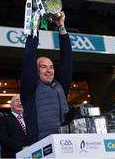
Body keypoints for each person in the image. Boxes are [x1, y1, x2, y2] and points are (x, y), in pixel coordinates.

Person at [20, 11, 72, 145]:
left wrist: (61, 26)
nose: (49, 70)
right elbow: (29, 56)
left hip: (67, 144)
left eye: (51, 67)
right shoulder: (29, 89)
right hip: (42, 147)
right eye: (43, 67)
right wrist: (35, 28)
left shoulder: (60, 85)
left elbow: (67, 59)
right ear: (35, 70)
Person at [0, 94, 28, 158]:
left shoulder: (29, 119)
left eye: (22, 101)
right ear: (11, 105)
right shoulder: (2, 119)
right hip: (12, 155)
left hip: (31, 154)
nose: (20, 103)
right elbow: (3, 138)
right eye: (17, 100)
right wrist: (21, 148)